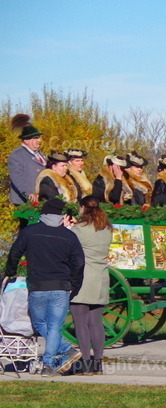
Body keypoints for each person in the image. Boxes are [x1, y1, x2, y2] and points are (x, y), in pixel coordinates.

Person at [3, 197, 85, 375]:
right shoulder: (69, 236)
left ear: (43, 214)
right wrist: (74, 285)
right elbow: (79, 263)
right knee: (54, 326)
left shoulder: (30, 232)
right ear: (61, 216)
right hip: (61, 286)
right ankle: (51, 364)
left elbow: (15, 252)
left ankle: (61, 354)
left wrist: (10, 272)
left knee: (40, 324)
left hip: (37, 286)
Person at [68, 197, 113, 375]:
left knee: (81, 323)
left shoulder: (79, 229)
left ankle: (86, 362)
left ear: (82, 208)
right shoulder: (107, 228)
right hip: (101, 277)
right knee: (95, 322)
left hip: (83, 277)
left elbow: (70, 249)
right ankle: (98, 363)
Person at [7, 114, 45, 206]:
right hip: (25, 201)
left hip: (41, 198)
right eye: (35, 138)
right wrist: (29, 195)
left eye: (38, 138)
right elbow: (17, 179)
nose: (39, 141)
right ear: (26, 140)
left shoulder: (39, 153)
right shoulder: (16, 155)